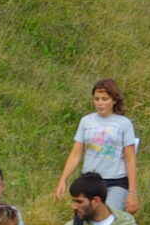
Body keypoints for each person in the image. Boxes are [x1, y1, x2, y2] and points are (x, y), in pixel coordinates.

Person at [54, 77, 141, 212]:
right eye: (97, 99)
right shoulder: (86, 121)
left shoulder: (124, 124)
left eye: (104, 99)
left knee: (108, 217)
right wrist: (63, 180)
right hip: (90, 180)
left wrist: (132, 192)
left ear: (114, 100)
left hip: (115, 180)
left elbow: (130, 159)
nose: (100, 103)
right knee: (83, 217)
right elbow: (75, 154)